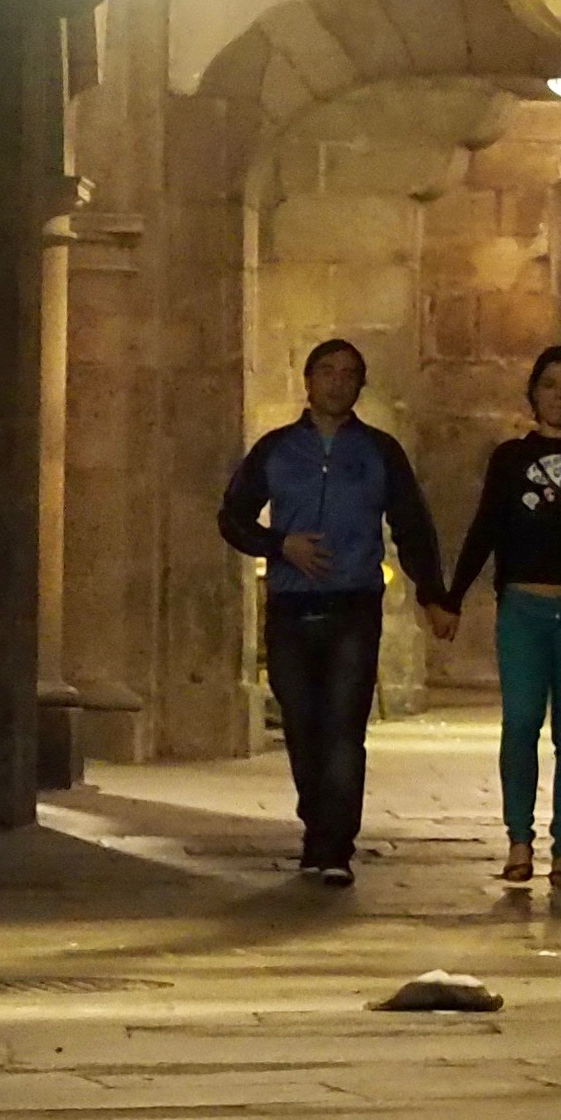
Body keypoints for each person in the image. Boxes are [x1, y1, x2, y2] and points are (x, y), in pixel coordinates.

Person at [212, 338, 442, 886]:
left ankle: (333, 845)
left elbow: (412, 525)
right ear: (309, 381)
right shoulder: (276, 450)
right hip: (291, 606)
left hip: (353, 605)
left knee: (343, 726)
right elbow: (233, 516)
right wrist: (279, 545)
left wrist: (434, 594)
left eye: (349, 373)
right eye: (328, 371)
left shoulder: (380, 452)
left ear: (360, 385)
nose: (338, 382)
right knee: (302, 723)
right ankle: (317, 819)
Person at [431, 344, 561, 888]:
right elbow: (486, 527)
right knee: (521, 723)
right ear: (533, 393)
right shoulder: (510, 459)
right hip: (523, 608)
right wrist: (453, 596)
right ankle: (519, 840)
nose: (559, 396)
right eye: (549, 385)